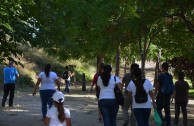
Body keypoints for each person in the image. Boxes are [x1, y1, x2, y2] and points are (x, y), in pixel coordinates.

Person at [155, 62, 173, 126]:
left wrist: (155, 93)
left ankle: (162, 120)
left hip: (161, 96)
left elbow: (157, 85)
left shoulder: (160, 76)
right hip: (167, 96)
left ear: (162, 68)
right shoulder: (170, 76)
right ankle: (168, 124)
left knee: (158, 109)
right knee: (167, 111)